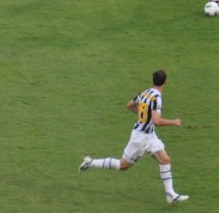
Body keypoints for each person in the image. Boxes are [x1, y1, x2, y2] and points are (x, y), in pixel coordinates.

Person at [79, 70, 189, 204]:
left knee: (165, 160)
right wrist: (174, 122)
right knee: (122, 166)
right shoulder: (157, 98)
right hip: (140, 138)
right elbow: (156, 121)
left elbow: (130, 105)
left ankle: (170, 194)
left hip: (149, 135)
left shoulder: (146, 92)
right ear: (165, 81)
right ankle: (90, 162)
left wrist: (143, 116)